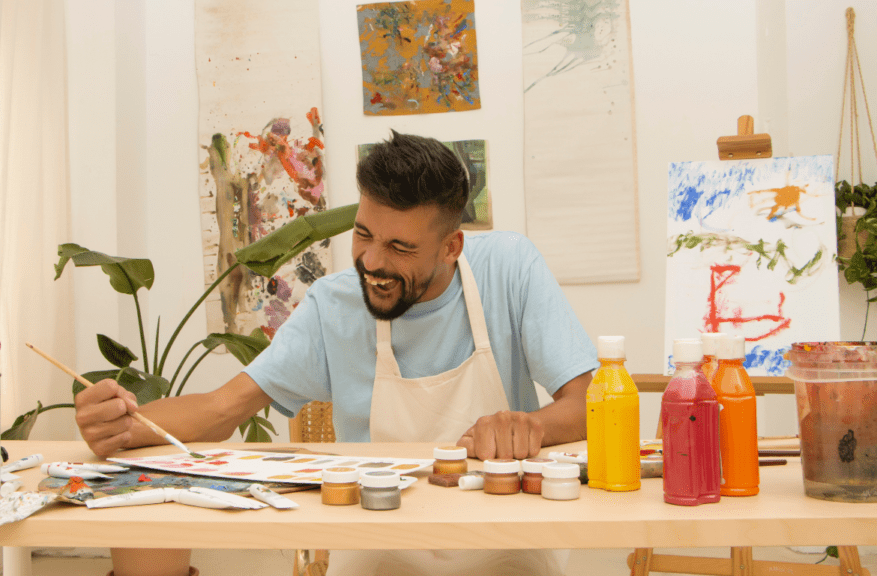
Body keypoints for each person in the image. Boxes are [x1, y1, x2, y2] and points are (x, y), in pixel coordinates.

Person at [75, 131, 598, 576]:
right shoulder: (335, 305)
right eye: (364, 234)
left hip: (503, 551)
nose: (372, 261)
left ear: (451, 247)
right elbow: (222, 408)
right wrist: (120, 425)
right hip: (378, 552)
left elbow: (589, 404)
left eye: (400, 248)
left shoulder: (511, 268)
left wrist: (531, 427)